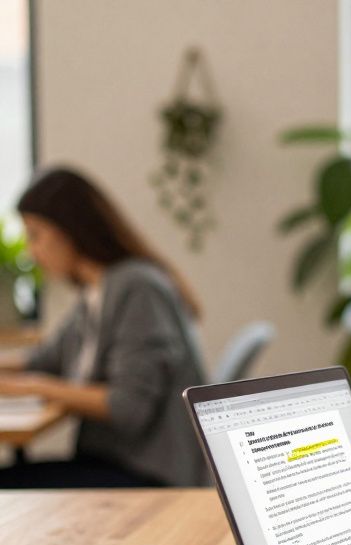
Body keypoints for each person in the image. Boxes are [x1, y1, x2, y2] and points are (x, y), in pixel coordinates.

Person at [0, 167, 209, 488]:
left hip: (148, 474)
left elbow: (128, 407)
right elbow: (45, 360)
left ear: (70, 229)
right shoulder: (96, 293)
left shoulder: (137, 287)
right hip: (113, 463)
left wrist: (34, 387)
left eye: (35, 235)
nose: (31, 251)